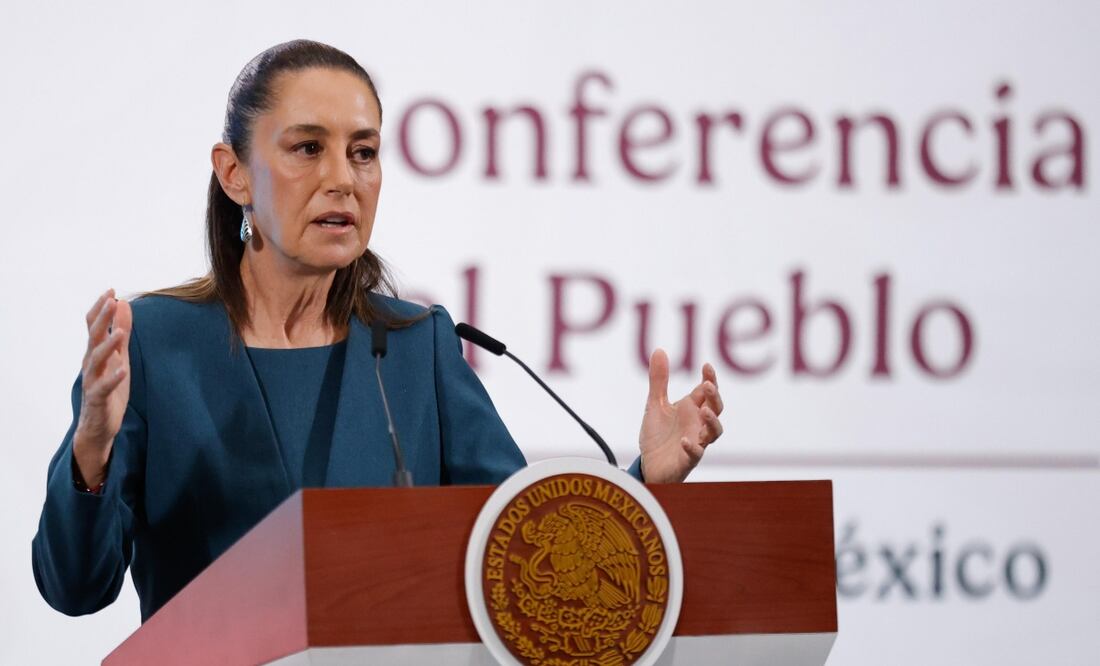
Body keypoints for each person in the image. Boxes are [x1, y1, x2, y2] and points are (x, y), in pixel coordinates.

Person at [32, 40, 725, 623]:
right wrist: (92, 447)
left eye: (363, 153)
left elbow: (523, 555)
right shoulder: (155, 345)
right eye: (308, 148)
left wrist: (646, 484)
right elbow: (75, 590)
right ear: (234, 173)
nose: (343, 179)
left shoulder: (417, 347)